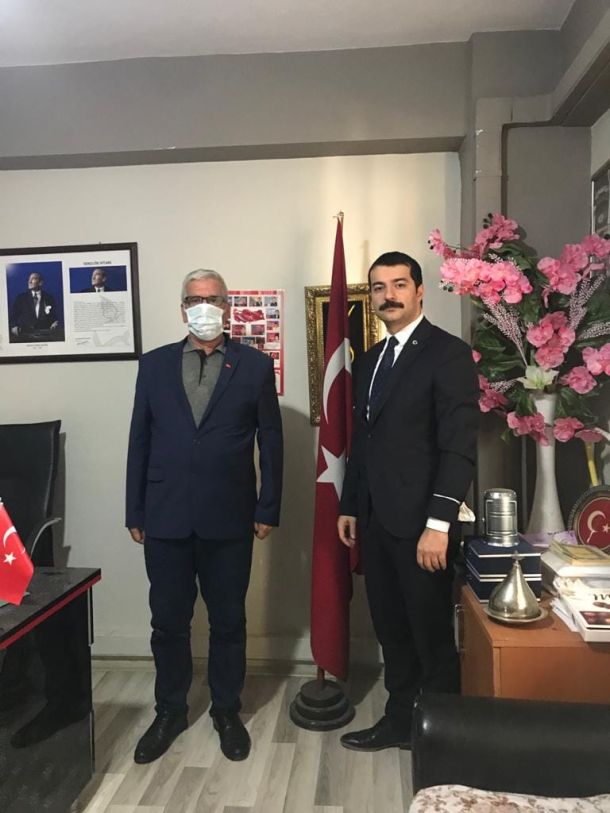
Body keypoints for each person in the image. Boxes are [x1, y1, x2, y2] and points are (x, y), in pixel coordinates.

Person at [126, 268, 283, 764]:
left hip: (230, 517)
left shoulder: (255, 366)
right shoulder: (154, 365)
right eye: (195, 299)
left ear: (227, 307)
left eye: (214, 298)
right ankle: (170, 711)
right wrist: (134, 509)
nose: (205, 307)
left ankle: (226, 710)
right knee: (168, 622)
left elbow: (271, 442)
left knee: (228, 621)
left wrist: (268, 506)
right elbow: (139, 439)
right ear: (182, 309)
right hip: (165, 515)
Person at [337, 251, 478, 752]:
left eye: (399, 284)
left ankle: (443, 738)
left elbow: (459, 446)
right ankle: (399, 721)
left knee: (431, 634)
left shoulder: (448, 354)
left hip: (424, 526)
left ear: (419, 291)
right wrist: (350, 504)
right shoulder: (369, 361)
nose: (388, 295)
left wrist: (439, 524)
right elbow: (364, 441)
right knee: (391, 630)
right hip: (377, 521)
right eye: (379, 287)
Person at [10, 271, 60, 338]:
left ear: (40, 283)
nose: (29, 281)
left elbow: (53, 316)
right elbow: (13, 316)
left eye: (33, 278)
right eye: (29, 279)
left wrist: (55, 322)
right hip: (25, 335)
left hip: (44, 335)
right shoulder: (21, 298)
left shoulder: (49, 298)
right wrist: (13, 326)